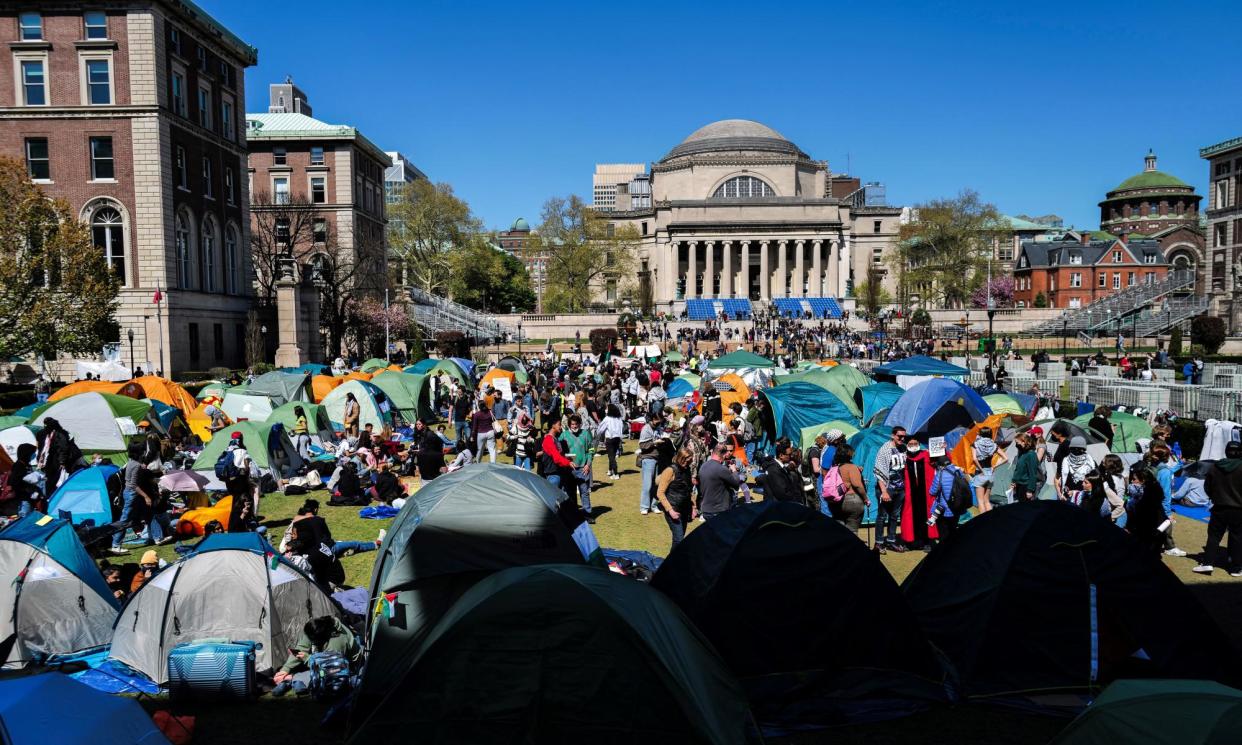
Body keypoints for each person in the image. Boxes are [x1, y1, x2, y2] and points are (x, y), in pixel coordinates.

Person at [272, 615, 363, 689]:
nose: (310, 641)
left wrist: (308, 659)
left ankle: (292, 680)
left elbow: (332, 667)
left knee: (318, 677)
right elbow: (301, 648)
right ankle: (290, 679)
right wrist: (285, 669)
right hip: (325, 661)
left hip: (346, 667)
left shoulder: (337, 640)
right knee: (304, 673)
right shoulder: (316, 627)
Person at [1194, 441, 1242, 576]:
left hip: (1219, 507)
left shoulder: (1215, 467)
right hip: (1239, 509)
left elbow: (1207, 487)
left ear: (1226, 451)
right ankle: (1236, 567)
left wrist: (1215, 497)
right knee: (1237, 537)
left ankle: (1208, 563)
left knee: (1214, 536)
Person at [873, 426, 909, 554]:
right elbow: (879, 471)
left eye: (904, 436)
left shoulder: (904, 448)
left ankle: (891, 541)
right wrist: (883, 491)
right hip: (887, 488)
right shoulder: (885, 449)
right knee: (882, 516)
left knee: (894, 516)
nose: (902, 439)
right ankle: (878, 543)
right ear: (893, 435)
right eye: (900, 436)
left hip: (900, 489)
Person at [655, 447, 695, 550]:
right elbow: (660, 493)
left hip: (684, 509)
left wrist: (692, 507)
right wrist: (671, 511)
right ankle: (673, 564)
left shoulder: (687, 470)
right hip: (673, 509)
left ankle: (672, 563)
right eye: (687, 460)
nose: (689, 463)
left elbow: (687, 491)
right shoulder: (670, 471)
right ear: (681, 458)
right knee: (679, 539)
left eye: (690, 461)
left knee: (677, 540)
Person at [900, 440, 938, 550]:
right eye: (910, 444)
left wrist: (942, 449)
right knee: (910, 517)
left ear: (918, 444)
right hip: (910, 494)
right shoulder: (903, 457)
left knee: (927, 516)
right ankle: (911, 542)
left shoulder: (927, 454)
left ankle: (927, 542)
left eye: (915, 444)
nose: (913, 446)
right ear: (907, 445)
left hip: (926, 493)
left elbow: (945, 459)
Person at [1125, 466, 1168, 556]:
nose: (1132, 482)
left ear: (1143, 480)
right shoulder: (1154, 493)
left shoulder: (1146, 501)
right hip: (1155, 533)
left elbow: (1142, 523)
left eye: (1134, 479)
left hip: (1148, 534)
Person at [825, 443, 867, 534]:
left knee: (840, 531)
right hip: (851, 500)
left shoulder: (833, 468)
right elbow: (857, 485)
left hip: (835, 503)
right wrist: (865, 498)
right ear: (849, 454)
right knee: (852, 531)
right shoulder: (852, 467)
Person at [559, 415, 595, 522]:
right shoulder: (564, 435)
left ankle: (587, 514)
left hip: (583, 468)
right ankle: (573, 515)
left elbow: (591, 450)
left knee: (584, 492)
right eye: (572, 424)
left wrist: (588, 464)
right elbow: (559, 450)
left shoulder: (585, 433)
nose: (574, 426)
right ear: (569, 425)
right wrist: (566, 460)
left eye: (576, 424)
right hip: (569, 469)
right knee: (570, 493)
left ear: (580, 424)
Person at [697, 442, 741, 521]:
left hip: (706, 509)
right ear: (724, 455)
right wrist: (734, 471)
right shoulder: (721, 469)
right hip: (718, 510)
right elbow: (736, 484)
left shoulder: (703, 466)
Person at [928, 454, 967, 541]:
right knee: (953, 530)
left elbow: (932, 492)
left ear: (940, 465)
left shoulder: (940, 474)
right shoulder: (958, 471)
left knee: (943, 533)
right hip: (957, 505)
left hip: (943, 508)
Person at [970, 426, 1006, 513]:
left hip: (980, 473)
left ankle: (984, 523)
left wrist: (981, 470)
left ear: (981, 434)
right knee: (987, 500)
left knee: (980, 501)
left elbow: (974, 459)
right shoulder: (994, 445)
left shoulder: (975, 444)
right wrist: (994, 466)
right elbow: (1005, 458)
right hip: (990, 472)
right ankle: (991, 521)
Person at [636, 412, 665, 515]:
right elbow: (642, 445)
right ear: (653, 419)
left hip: (658, 459)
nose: (659, 423)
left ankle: (654, 505)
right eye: (658, 421)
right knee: (647, 485)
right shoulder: (646, 429)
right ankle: (644, 506)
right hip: (648, 459)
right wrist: (655, 443)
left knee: (656, 484)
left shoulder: (659, 428)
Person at [1057, 436, 1096, 506]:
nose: (1076, 451)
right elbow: (1061, 478)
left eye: (1079, 450)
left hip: (1084, 500)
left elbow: (1094, 485)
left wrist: (1076, 493)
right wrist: (1062, 493)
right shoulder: (1066, 461)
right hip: (1068, 498)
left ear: (1083, 450)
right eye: (1073, 449)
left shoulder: (1090, 463)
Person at [9, 443, 40, 518]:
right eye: (32, 453)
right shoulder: (18, 466)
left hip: (29, 498)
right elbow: (14, 482)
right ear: (26, 454)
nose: (33, 455)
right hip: (24, 499)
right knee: (25, 519)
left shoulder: (26, 465)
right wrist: (26, 489)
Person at [597, 404, 624, 480]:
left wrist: (597, 434)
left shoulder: (607, 418)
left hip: (610, 439)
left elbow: (601, 428)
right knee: (612, 455)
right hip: (617, 438)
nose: (606, 410)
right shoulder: (619, 418)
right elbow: (621, 428)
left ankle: (615, 473)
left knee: (611, 456)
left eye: (607, 409)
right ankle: (610, 470)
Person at [1011, 433, 1041, 502]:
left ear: (1023, 442)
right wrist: (1014, 482)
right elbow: (1019, 470)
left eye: (1017, 442)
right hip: (1019, 485)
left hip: (1025, 486)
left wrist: (1030, 490)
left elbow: (1033, 473)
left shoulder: (1031, 455)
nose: (1016, 445)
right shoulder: (1023, 453)